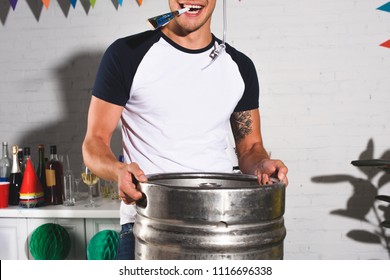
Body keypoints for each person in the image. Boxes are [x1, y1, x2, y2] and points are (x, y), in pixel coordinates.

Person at [82, 0, 288, 260]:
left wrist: (262, 165)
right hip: (149, 225)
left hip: (223, 227)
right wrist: (118, 170)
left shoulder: (240, 67)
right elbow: (94, 142)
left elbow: (249, 148)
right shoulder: (127, 54)